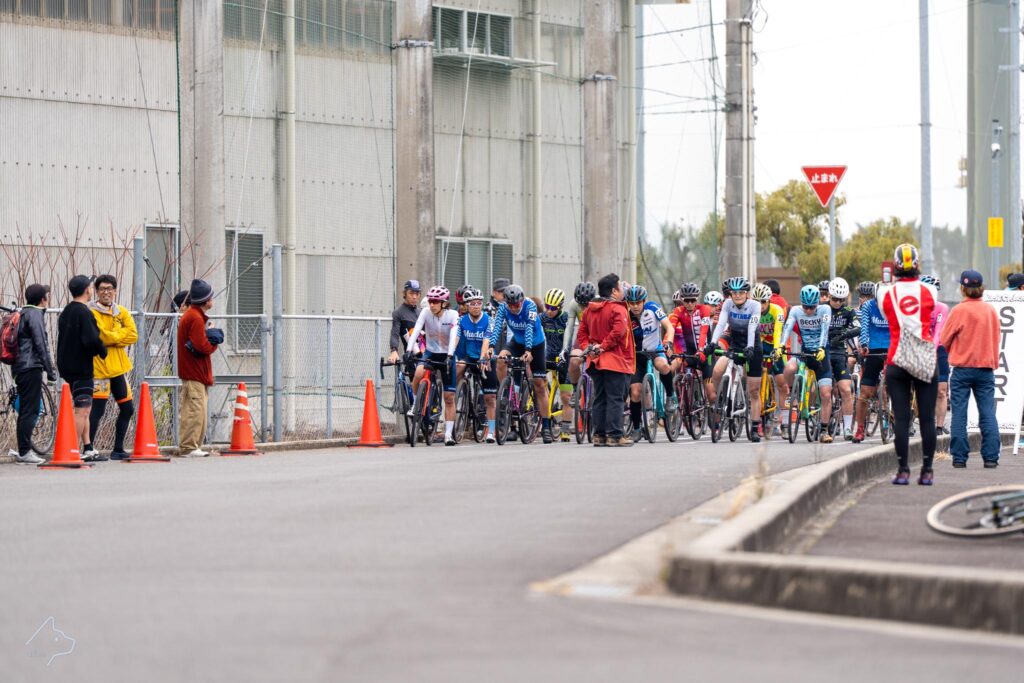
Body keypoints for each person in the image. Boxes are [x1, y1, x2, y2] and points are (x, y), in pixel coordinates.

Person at [878, 243, 939, 485]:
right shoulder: (929, 291)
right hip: (924, 357)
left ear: (895, 265)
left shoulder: (885, 293)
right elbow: (930, 313)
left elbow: (888, 317)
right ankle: (927, 471)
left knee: (902, 418)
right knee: (927, 419)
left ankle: (903, 471)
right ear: (916, 264)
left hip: (897, 358)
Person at [940, 270, 1001, 468]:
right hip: (985, 369)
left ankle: (959, 458)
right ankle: (991, 457)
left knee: (959, 414)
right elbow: (996, 338)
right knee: (987, 413)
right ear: (981, 288)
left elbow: (944, 339)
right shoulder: (990, 310)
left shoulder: (959, 311)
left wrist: (955, 351)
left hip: (962, 369)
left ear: (962, 288)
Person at [483, 284, 554, 443]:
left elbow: (529, 328)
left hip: (536, 344)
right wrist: (491, 347)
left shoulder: (530, 306)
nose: (514, 308)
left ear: (521, 301)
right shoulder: (503, 308)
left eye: (517, 305)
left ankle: (546, 426)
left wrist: (528, 350)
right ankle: (506, 391)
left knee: (539, 384)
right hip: (517, 341)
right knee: (501, 359)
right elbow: (497, 328)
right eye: (511, 305)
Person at [576, 274, 634, 447]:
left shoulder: (589, 310)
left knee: (600, 398)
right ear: (614, 291)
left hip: (595, 361)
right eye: (620, 287)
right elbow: (619, 332)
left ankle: (599, 435)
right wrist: (603, 346)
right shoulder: (618, 309)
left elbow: (581, 334)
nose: (622, 291)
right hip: (616, 360)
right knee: (616, 398)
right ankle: (614, 435)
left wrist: (589, 348)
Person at [57, 275, 108, 461]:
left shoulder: (67, 311)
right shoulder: (84, 313)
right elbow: (92, 339)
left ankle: (88, 448)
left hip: (68, 366)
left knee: (84, 408)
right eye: (91, 287)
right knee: (82, 410)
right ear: (87, 290)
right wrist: (102, 351)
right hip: (81, 368)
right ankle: (72, 449)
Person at [706, 277, 763, 441]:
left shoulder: (755, 306)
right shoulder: (727, 304)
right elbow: (721, 324)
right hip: (735, 343)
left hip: (753, 345)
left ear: (746, 293)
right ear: (730, 294)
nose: (737, 295)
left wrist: (750, 347)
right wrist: (712, 343)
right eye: (734, 293)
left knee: (754, 390)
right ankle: (721, 399)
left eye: (741, 292)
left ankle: (754, 427)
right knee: (717, 371)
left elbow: (752, 327)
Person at [89, 274, 138, 460]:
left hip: (118, 368)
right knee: (97, 411)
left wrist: (113, 337)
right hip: (99, 369)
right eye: (102, 289)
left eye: (109, 289)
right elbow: (101, 336)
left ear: (115, 291)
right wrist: (118, 336)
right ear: (96, 291)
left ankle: (118, 449)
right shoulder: (91, 312)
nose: (106, 292)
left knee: (128, 408)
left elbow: (133, 335)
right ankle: (88, 449)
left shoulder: (121, 311)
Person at [779, 285, 835, 443]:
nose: (809, 310)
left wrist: (822, 348)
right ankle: (792, 393)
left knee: (825, 394)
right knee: (789, 368)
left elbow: (825, 329)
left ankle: (824, 430)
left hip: (821, 355)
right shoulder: (796, 311)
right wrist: (781, 345)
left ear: (817, 303)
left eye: (812, 307)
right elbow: (787, 327)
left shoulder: (825, 309)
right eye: (806, 307)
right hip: (805, 354)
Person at [406, 285, 460, 445]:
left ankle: (448, 434)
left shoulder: (453, 315)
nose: (432, 304)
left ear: (444, 303)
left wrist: (450, 355)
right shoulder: (425, 312)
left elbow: (454, 335)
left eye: (435, 301)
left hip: (447, 354)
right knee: (418, 373)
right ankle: (416, 404)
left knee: (449, 398)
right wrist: (408, 350)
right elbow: (417, 329)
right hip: (430, 352)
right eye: (430, 301)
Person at [10, 284, 56, 465]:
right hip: (30, 367)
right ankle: (24, 452)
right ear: (43, 299)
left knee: (26, 411)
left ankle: (24, 450)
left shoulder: (22, 313)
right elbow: (41, 344)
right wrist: (50, 372)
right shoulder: (35, 314)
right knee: (30, 410)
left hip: (19, 367)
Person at [624, 285, 675, 440]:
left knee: (663, 365)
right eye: (632, 303)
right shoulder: (625, 314)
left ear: (644, 301)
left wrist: (669, 343)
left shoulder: (653, 308)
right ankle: (637, 428)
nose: (635, 306)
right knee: (635, 392)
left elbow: (669, 327)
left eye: (638, 302)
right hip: (637, 355)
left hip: (655, 350)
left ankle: (670, 396)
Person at [177, 278, 221, 457]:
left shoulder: (193, 315)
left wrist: (208, 333)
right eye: (210, 297)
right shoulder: (195, 317)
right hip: (194, 372)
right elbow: (202, 346)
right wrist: (214, 340)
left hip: (195, 372)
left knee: (198, 409)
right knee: (194, 409)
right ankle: (189, 447)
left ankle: (193, 446)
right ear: (206, 300)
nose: (212, 299)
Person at [453, 288, 497, 443]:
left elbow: (486, 341)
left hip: (485, 357)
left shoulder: (489, 320)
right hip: (469, 356)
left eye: (479, 303)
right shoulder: (461, 321)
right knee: (458, 365)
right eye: (473, 304)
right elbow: (456, 339)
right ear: (467, 305)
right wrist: (449, 355)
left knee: (490, 397)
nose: (476, 306)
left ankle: (491, 431)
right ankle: (455, 393)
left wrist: (483, 359)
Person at [853, 282, 890, 443]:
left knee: (896, 386)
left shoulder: (895, 305)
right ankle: (860, 429)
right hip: (873, 349)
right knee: (864, 393)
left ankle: (897, 420)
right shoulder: (868, 306)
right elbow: (864, 328)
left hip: (892, 349)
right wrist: (864, 345)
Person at [825, 277, 860, 440]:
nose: (838, 302)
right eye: (834, 299)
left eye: (841, 299)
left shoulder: (848, 311)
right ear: (829, 295)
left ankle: (847, 428)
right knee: (823, 390)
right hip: (823, 352)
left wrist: (845, 334)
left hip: (839, 353)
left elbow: (858, 327)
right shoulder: (822, 309)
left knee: (846, 390)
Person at [753, 283, 788, 434]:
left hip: (775, 344)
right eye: (757, 302)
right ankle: (758, 421)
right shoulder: (752, 311)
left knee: (782, 383)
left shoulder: (777, 310)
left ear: (769, 301)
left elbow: (778, 332)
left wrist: (777, 349)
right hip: (761, 344)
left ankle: (785, 422)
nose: (760, 305)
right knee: (755, 384)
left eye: (763, 302)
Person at [541, 288, 573, 440]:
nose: (549, 311)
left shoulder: (566, 318)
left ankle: (565, 428)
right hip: (547, 356)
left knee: (566, 397)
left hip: (563, 358)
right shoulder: (542, 318)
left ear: (560, 307)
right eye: (547, 306)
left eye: (553, 308)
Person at [921, 275, 950, 434]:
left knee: (941, 391)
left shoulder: (942, 308)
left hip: (938, 348)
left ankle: (939, 427)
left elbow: (938, 331)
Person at [561, 281, 596, 384]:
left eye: (586, 305)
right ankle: (576, 388)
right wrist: (565, 348)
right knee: (573, 361)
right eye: (581, 305)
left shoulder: (599, 303)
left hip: (597, 337)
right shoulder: (574, 304)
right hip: (583, 337)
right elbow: (569, 327)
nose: (584, 309)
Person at [387, 280, 422, 368]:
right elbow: (394, 333)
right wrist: (394, 350)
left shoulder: (421, 313)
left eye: (417, 294)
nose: (414, 297)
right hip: (411, 356)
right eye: (411, 293)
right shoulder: (398, 312)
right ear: (404, 293)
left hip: (426, 355)